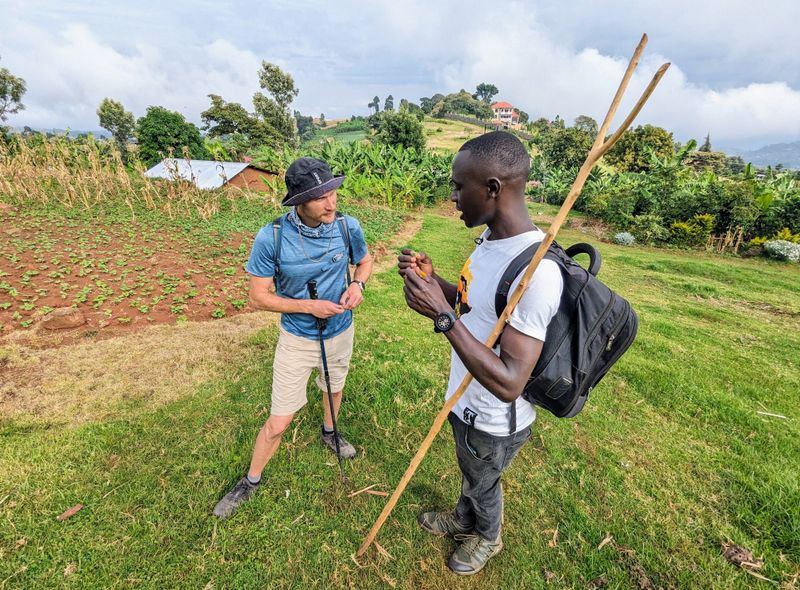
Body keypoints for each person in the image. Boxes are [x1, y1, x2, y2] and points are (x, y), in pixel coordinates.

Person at [397, 131, 563, 575]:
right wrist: (438, 286)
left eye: (458, 186)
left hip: (494, 415)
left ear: (492, 188)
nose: (452, 197)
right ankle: (463, 518)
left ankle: (487, 537)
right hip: (467, 396)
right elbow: (475, 304)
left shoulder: (538, 272)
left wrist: (441, 317)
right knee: (471, 471)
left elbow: (511, 381)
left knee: (484, 479)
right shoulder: (491, 242)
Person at [214, 157, 373, 519]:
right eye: (320, 197)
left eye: (332, 191)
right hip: (298, 338)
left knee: (334, 386)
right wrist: (308, 307)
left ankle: (330, 432)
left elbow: (365, 261)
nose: (331, 202)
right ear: (299, 200)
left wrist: (358, 284)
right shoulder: (271, 237)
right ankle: (251, 480)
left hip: (340, 331)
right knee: (279, 420)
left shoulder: (348, 227)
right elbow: (258, 296)